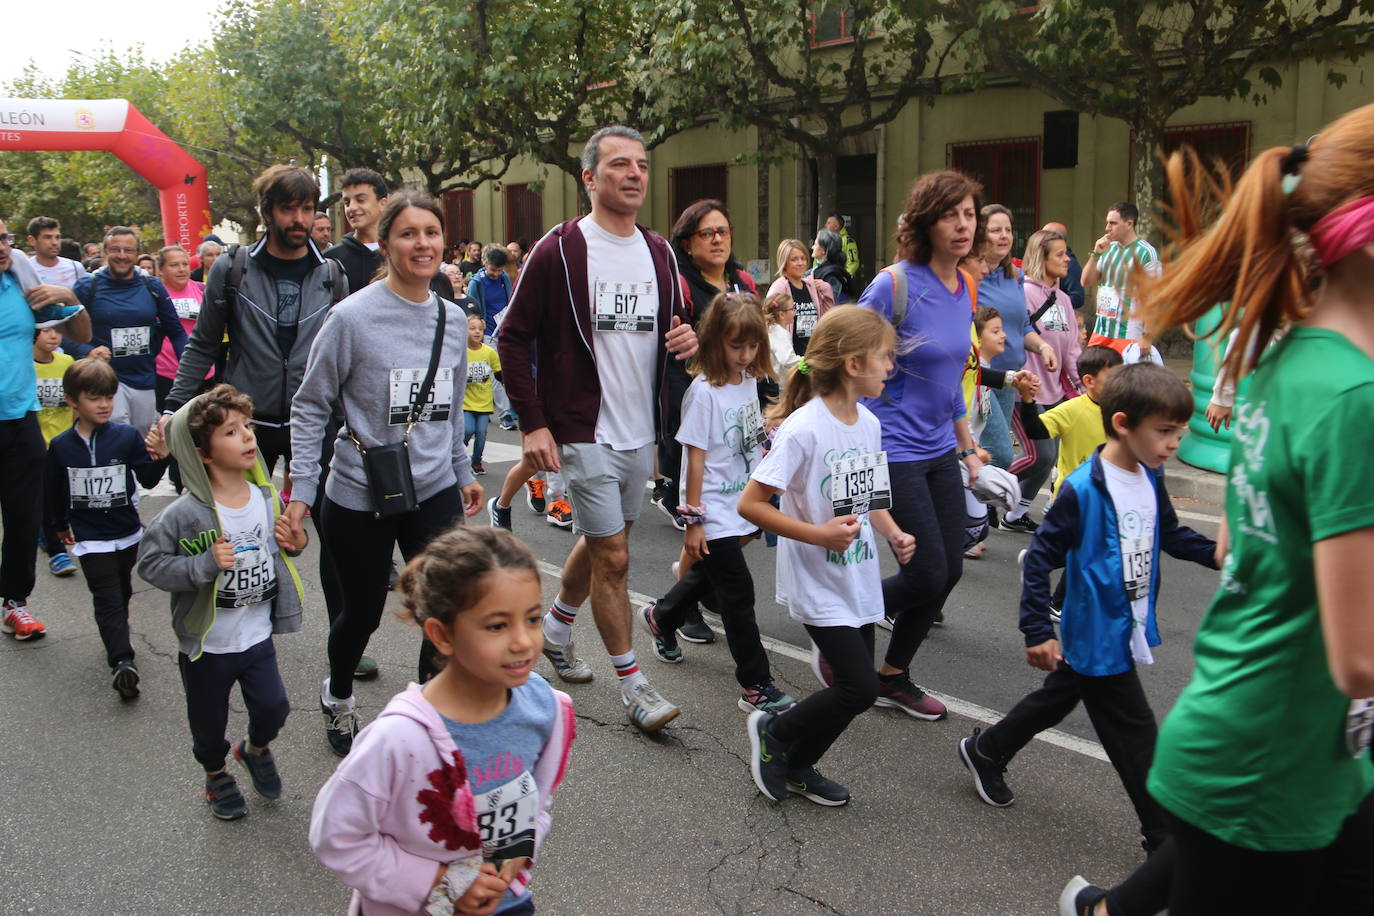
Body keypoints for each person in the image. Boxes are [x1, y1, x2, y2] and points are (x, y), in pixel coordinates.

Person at [1131, 106, 1374, 914]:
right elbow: (1362, 660)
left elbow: (1241, 542)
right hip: (1263, 770)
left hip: (1284, 750)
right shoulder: (1353, 396)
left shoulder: (1291, 356)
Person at [957, 363, 1216, 859]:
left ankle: (986, 750)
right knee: (1136, 736)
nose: (1173, 444)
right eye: (1164, 432)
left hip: (1127, 622)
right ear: (1122, 423)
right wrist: (1036, 629)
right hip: (1097, 630)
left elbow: (1173, 534)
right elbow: (1040, 561)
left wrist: (1221, 555)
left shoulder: (1151, 475)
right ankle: (1163, 840)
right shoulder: (1083, 489)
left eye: (1179, 433)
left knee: (1059, 696)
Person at [497, 124, 698, 733]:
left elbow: (674, 326)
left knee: (604, 540)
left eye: (641, 164)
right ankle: (634, 686)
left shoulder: (660, 252)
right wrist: (534, 424)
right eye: (619, 164)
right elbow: (512, 336)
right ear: (589, 177)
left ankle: (555, 628)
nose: (634, 174)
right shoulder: (559, 249)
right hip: (582, 429)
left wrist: (685, 339)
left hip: (641, 431)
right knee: (614, 555)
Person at [286, 191, 484, 757]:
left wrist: (462, 467)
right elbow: (310, 404)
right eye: (408, 233)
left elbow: (446, 401)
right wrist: (302, 490)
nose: (421, 244)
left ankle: (424, 711)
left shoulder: (450, 317)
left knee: (444, 606)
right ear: (387, 243)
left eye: (431, 233)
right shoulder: (350, 317)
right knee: (361, 614)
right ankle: (339, 693)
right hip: (357, 493)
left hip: (434, 489)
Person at [310, 527, 574, 916]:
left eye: (533, 619)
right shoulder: (397, 738)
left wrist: (518, 855)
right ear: (442, 635)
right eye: (497, 625)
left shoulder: (544, 708)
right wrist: (440, 882)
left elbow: (535, 801)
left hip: (506, 901)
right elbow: (337, 835)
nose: (523, 641)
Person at [161, 164, 354, 675]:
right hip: (248, 423)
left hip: (317, 423)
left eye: (307, 208)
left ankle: (346, 642)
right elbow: (204, 343)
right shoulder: (233, 269)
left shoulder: (332, 273)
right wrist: (171, 410)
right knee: (235, 532)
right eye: (287, 208)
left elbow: (346, 354)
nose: (299, 218)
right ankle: (234, 639)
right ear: (265, 212)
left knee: (334, 538)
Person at [739, 306, 915, 805]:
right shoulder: (804, 429)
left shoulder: (869, 425)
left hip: (857, 575)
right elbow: (750, 504)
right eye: (884, 358)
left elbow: (870, 497)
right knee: (859, 688)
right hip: (817, 577)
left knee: (853, 689)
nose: (890, 367)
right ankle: (775, 733)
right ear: (853, 364)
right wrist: (818, 535)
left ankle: (799, 765)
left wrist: (896, 535)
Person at [853, 170, 988, 719]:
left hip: (937, 448)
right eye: (950, 214)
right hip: (890, 448)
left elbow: (953, 376)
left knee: (949, 568)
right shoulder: (893, 285)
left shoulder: (966, 287)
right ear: (926, 221)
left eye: (970, 214)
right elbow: (843, 352)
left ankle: (892, 676)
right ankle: (841, 628)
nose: (962, 225)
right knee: (927, 572)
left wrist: (968, 447)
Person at [138, 385, 305, 820]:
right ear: (203, 454)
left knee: (274, 708)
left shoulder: (267, 498)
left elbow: (283, 548)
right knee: (208, 726)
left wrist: (296, 540)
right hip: (208, 645)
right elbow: (151, 565)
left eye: (247, 426)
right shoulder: (184, 513)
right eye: (231, 431)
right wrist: (201, 565)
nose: (248, 436)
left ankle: (253, 749)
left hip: (256, 634)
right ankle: (216, 774)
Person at [640, 292, 795, 713]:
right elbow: (695, 458)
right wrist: (693, 520)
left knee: (712, 574)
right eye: (735, 345)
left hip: (742, 502)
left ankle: (662, 616)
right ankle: (756, 684)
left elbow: (747, 438)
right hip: (711, 508)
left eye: (751, 346)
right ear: (713, 342)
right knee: (739, 595)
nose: (745, 355)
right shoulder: (703, 392)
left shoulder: (748, 383)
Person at [46, 358, 170, 699]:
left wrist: (162, 454)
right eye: (94, 397)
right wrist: (57, 527)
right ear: (72, 400)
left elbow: (146, 478)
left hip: (127, 533)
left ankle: (118, 641)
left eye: (109, 397)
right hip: (90, 540)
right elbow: (54, 492)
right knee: (107, 598)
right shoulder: (60, 447)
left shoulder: (125, 437)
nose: (104, 404)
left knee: (122, 591)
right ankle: (122, 662)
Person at [0, 220, 90, 639]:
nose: (3, 246)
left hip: (20, 418)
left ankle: (15, 603)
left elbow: (81, 332)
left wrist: (69, 297)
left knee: (23, 518)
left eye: (4, 237)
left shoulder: (18, 274)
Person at [656, 199, 757, 553]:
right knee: (711, 505)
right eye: (707, 233)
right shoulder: (679, 285)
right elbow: (665, 347)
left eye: (723, 231)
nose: (717, 239)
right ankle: (680, 598)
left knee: (745, 512)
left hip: (741, 399)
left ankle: (688, 589)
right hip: (698, 399)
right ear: (687, 242)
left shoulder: (743, 281)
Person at [999, 226, 1080, 530]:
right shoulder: (1025, 293)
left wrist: (1082, 385)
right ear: (1041, 257)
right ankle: (983, 481)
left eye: (1067, 253)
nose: (1067, 259)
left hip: (1056, 393)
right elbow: (1015, 334)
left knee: (1048, 458)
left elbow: (1072, 349)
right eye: (1060, 254)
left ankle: (1015, 514)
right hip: (1025, 391)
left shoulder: (1065, 300)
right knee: (1040, 455)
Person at [68, 226, 188, 432]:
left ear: (137, 253)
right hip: (105, 380)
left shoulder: (152, 287)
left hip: (144, 377)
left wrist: (188, 369)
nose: (122, 256)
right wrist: (87, 351)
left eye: (128, 250)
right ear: (105, 252)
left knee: (143, 440)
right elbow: (63, 331)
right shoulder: (87, 286)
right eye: (115, 249)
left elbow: (176, 332)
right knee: (117, 433)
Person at [978, 205, 1060, 489]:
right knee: (1000, 451)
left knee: (995, 451)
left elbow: (1023, 326)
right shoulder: (970, 276)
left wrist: (1042, 348)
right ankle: (971, 502)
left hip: (1012, 379)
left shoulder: (1015, 275)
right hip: (982, 379)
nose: (1004, 236)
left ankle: (977, 507)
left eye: (1008, 230)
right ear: (981, 234)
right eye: (995, 230)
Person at [1082, 202, 1160, 355]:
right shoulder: (1107, 249)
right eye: (1107, 223)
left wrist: (1147, 336)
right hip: (1100, 331)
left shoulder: (1146, 253)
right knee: (1096, 376)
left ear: (1129, 223)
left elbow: (1154, 298)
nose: (1107, 228)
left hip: (1128, 333)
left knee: (1121, 378)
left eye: (1113, 223)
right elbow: (1086, 281)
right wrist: (1095, 254)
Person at [34, 327, 77, 577]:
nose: (54, 336)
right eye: (46, 331)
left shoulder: (67, 362)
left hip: (64, 442)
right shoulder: (24, 366)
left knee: (62, 495)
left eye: (58, 331)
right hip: (36, 443)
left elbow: (75, 400)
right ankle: (57, 552)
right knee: (45, 495)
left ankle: (45, 530)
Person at [466, 244, 518, 430]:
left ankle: (494, 408)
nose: (496, 273)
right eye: (493, 269)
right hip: (487, 333)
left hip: (504, 329)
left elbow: (510, 300)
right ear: (485, 263)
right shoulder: (476, 283)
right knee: (496, 374)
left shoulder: (504, 278)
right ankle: (504, 414)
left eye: (499, 270)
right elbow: (472, 308)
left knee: (507, 370)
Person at [153, 245, 209, 413]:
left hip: (202, 370)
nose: (181, 269)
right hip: (167, 372)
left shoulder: (202, 289)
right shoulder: (155, 293)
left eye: (184, 264)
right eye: (174, 265)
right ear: (161, 269)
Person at [766, 238, 835, 361]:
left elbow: (826, 317)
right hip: (790, 359)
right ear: (784, 262)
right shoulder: (780, 287)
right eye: (794, 259)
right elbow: (768, 320)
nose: (800, 263)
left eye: (803, 258)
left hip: (812, 356)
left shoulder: (810, 285)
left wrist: (826, 289)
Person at [325, 167, 390, 294]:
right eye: (347, 202)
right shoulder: (331, 261)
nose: (352, 208)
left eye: (360, 200)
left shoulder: (399, 254)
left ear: (382, 203)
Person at [463, 313, 502, 475]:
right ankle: (455, 455)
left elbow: (499, 372)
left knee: (481, 432)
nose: (477, 332)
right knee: (467, 430)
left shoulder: (489, 352)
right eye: (472, 328)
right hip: (465, 401)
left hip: (484, 401)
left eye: (480, 328)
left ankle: (476, 461)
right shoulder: (461, 351)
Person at [26, 216, 87, 288]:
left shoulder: (76, 268)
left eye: (57, 237)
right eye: (47, 237)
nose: (54, 242)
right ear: (32, 240)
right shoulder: (25, 270)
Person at [1042, 221, 1085, 312]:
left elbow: (1078, 298)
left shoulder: (1070, 265)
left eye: (1043, 236)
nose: (1066, 260)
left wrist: (1053, 306)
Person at [764, 292, 802, 382]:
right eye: (792, 308)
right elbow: (787, 359)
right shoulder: (779, 333)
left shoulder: (771, 329)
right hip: (778, 385)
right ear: (781, 314)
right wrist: (806, 361)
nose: (795, 311)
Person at [809, 230, 853, 304]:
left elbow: (832, 301)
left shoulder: (831, 275)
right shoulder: (835, 270)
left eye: (815, 244)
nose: (812, 247)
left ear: (824, 250)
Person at [824, 212, 861, 278]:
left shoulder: (848, 241)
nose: (825, 225)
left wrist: (844, 278)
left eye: (829, 223)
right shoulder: (825, 240)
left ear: (836, 226)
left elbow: (853, 263)